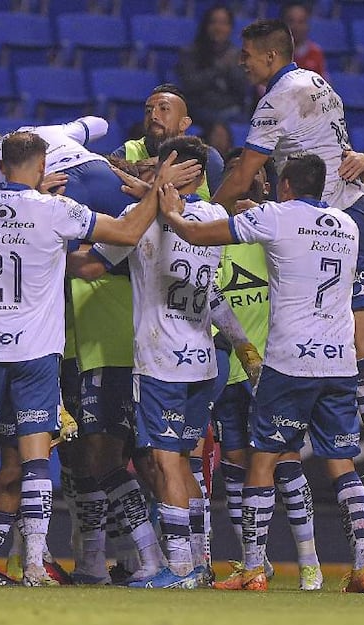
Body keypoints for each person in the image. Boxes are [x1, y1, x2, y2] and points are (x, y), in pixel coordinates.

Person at [0, 131, 200, 586]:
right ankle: (33, 565)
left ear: (1, 166)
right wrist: (157, 187)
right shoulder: (56, 211)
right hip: (35, 352)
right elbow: (127, 232)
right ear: (44, 167)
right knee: (34, 458)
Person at [212, 19, 364, 507]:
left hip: (339, 222)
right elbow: (338, 149)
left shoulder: (275, 101)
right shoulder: (318, 82)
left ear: (269, 56)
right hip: (363, 207)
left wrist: (208, 213)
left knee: (361, 340)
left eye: (246, 53)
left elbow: (243, 174)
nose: (241, 61)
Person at [159, 152, 364, 593]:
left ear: (286, 186)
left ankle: (253, 569)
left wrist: (172, 216)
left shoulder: (276, 217)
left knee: (262, 461)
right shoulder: (347, 226)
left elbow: (200, 234)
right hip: (339, 360)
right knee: (341, 462)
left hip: (290, 361)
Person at [87, 136, 259, 589]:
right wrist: (244, 347)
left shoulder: (141, 219)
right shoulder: (215, 217)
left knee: (164, 462)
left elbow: (93, 265)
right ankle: (199, 561)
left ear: (173, 169)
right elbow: (213, 293)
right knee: (183, 462)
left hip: (160, 360)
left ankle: (180, 568)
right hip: (202, 360)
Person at [211, 148, 323, 591]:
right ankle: (253, 560)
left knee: (286, 462)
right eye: (238, 175)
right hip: (231, 368)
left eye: (256, 175)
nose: (249, 182)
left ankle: (310, 562)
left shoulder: (280, 230)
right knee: (236, 467)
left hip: (275, 367)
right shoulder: (216, 236)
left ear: (270, 184)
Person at [175, 5, 249, 125]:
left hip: (230, 110)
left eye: (223, 23)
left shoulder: (237, 55)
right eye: (213, 22)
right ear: (206, 26)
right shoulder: (190, 52)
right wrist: (219, 68)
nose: (218, 28)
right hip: (200, 109)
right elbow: (190, 85)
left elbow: (243, 90)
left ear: (230, 28)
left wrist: (232, 69)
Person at [282, 1, 329, 79]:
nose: (296, 27)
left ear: (307, 25)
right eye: (291, 21)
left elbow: (323, 83)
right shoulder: (274, 53)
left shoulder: (315, 53)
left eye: (301, 22)